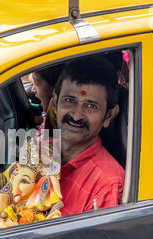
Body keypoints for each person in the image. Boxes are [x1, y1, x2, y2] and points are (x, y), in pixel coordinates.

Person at [52, 56, 124, 215]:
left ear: (109, 116)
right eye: (69, 100)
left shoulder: (106, 184)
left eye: (91, 106)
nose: (77, 116)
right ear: (55, 103)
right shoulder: (41, 149)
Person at [28, 65, 62, 141]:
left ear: (55, 88)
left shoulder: (57, 125)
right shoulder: (50, 115)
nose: (33, 90)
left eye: (36, 83)